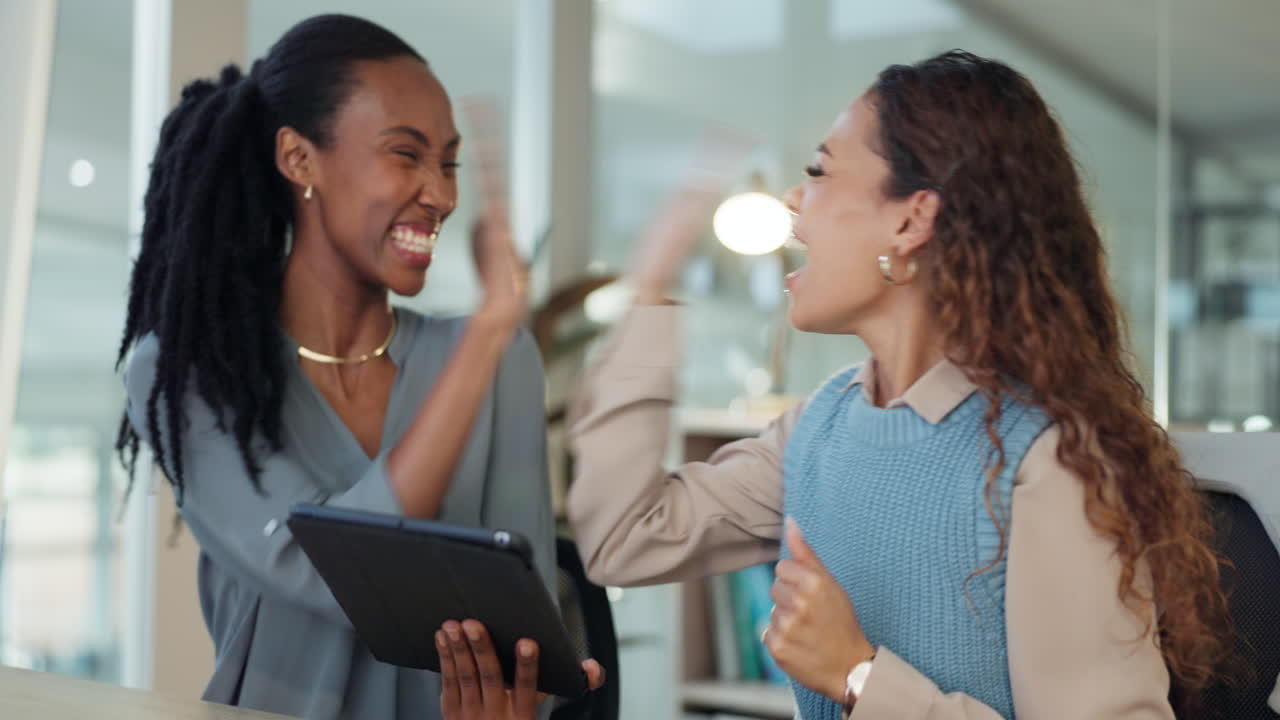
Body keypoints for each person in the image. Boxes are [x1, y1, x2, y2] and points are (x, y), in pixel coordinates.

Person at [561, 50, 1234, 719]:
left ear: (912, 220)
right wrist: (649, 298)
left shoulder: (1050, 460)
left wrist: (858, 677)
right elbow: (627, 538)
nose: (796, 200)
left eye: (819, 172)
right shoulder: (822, 427)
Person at [116, 14, 554, 720]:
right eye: (405, 154)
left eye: (447, 162)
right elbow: (322, 568)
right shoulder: (190, 372)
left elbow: (526, 628)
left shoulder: (505, 362)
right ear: (299, 159)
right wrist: (487, 335)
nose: (440, 195)